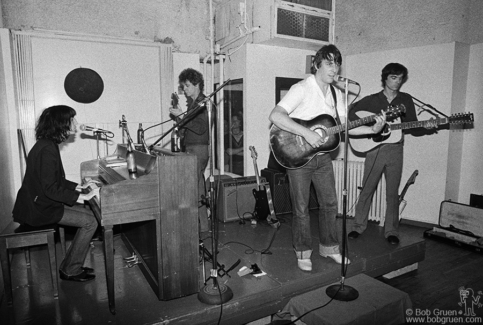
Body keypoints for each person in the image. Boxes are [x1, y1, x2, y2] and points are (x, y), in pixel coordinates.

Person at [269, 44, 387, 271]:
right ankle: (303, 252)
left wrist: (373, 130)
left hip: (323, 158)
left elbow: (345, 128)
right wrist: (306, 133)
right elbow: (275, 116)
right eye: (330, 63)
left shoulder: (337, 93)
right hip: (297, 156)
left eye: (338, 63)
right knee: (301, 208)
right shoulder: (302, 88)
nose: (335, 68)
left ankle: (329, 248)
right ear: (317, 64)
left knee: (330, 204)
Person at [348, 63, 436, 245]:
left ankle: (392, 231)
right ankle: (358, 227)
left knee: (392, 192)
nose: (397, 82)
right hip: (375, 149)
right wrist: (372, 129)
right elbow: (350, 116)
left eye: (400, 78)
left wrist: (426, 127)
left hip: (396, 149)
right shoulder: (371, 100)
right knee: (367, 189)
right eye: (393, 78)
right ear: (385, 78)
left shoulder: (406, 99)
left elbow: (413, 126)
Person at [12, 105, 99, 282]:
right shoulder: (47, 149)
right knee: (90, 221)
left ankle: (70, 264)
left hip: (40, 204)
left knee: (91, 215)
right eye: (72, 120)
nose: (76, 123)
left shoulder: (47, 144)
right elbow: (50, 189)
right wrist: (83, 197)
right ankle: (70, 269)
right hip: (39, 209)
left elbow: (55, 180)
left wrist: (80, 187)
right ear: (61, 124)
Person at [169, 68, 210, 232]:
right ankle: (203, 226)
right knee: (198, 189)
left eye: (186, 86)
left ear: (196, 84)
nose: (184, 89)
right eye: (183, 86)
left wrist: (181, 116)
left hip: (198, 150)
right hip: (193, 148)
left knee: (191, 189)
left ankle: (191, 227)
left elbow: (200, 128)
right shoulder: (194, 103)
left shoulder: (202, 102)